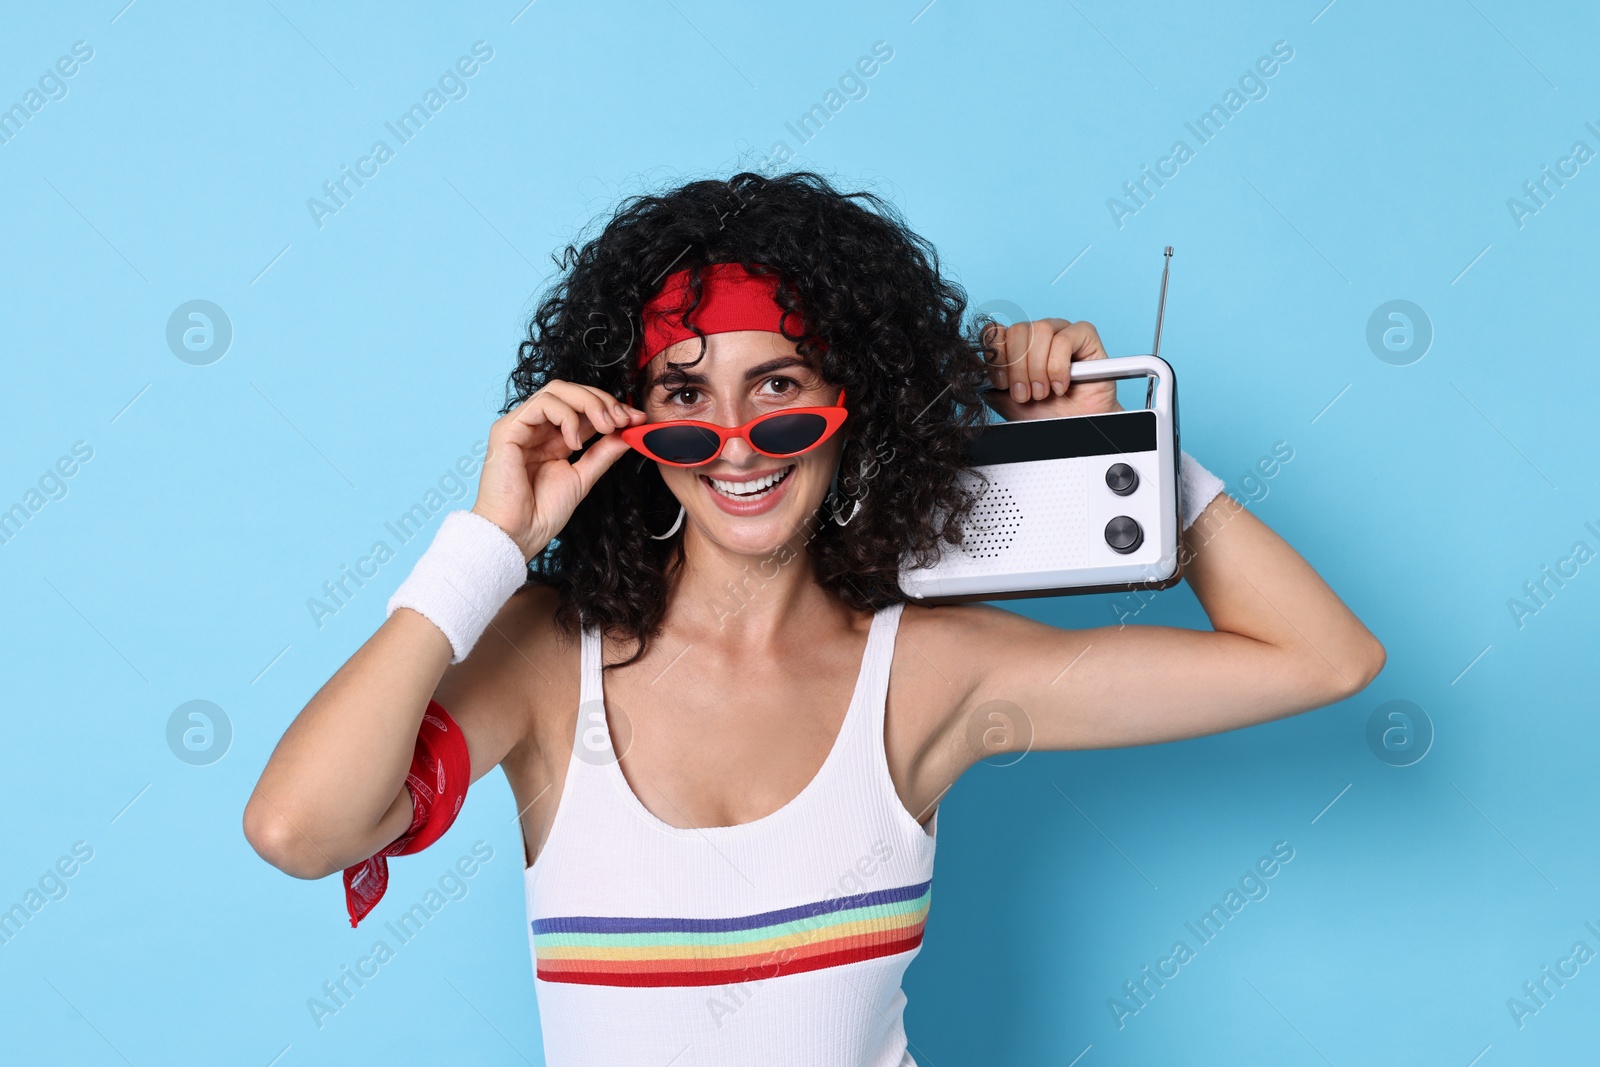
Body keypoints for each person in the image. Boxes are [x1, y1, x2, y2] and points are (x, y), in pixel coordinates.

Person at [243, 170, 1384, 1065]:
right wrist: (488, 543)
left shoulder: (931, 667)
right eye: (685, 397)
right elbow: (300, 827)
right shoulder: (548, 654)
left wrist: (1120, 454)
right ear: (628, 422)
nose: (735, 442)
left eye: (780, 387)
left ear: (857, 403)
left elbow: (1324, 657)